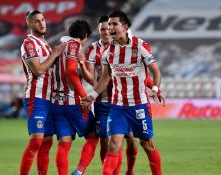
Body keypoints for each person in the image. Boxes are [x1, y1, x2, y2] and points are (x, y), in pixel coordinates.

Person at [81, 11, 165, 175]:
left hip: (139, 105)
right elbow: (105, 78)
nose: (110, 28)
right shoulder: (108, 52)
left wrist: (155, 89)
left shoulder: (140, 47)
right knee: (113, 146)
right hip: (118, 106)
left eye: (114, 24)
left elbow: (156, 71)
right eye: (109, 25)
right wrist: (91, 97)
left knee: (147, 145)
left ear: (125, 27)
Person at [72, 15, 143, 175]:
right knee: (106, 140)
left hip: (125, 101)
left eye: (108, 28)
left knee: (131, 140)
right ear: (99, 31)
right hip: (103, 102)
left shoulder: (126, 47)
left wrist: (153, 87)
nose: (106, 32)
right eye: (102, 29)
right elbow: (90, 78)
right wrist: (84, 66)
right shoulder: (92, 50)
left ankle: (130, 171)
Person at [49, 19, 98, 175]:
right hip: (73, 101)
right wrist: (84, 96)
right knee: (93, 136)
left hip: (57, 102)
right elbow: (70, 70)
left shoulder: (59, 45)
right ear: (84, 35)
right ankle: (79, 172)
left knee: (64, 143)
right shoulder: (73, 45)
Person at [19, 10, 65, 175]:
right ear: (29, 24)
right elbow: (38, 70)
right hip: (36, 97)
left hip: (50, 99)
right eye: (37, 21)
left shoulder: (45, 44)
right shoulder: (29, 44)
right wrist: (54, 55)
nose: (42, 23)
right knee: (36, 141)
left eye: (43, 20)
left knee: (46, 142)